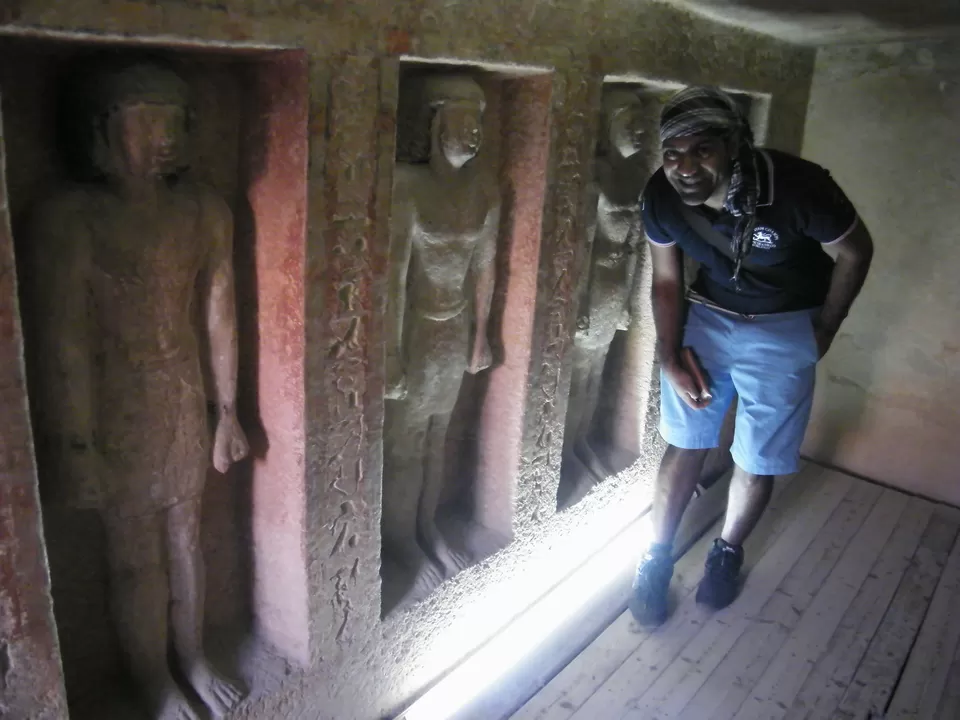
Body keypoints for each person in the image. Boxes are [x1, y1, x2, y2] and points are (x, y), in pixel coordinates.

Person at [28, 62, 248, 719]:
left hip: (180, 392)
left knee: (187, 540)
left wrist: (226, 412)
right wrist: (76, 444)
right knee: (132, 558)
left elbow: (220, 315)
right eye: (146, 117)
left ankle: (194, 658)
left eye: (175, 120)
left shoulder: (204, 212)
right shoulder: (69, 220)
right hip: (112, 403)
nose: (165, 135)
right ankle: (152, 678)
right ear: (103, 130)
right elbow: (60, 343)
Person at [629, 86, 873, 626]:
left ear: (735, 143)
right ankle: (656, 558)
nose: (685, 167)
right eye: (672, 153)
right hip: (709, 317)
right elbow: (666, 282)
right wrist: (669, 354)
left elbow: (856, 251)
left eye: (702, 151)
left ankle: (726, 552)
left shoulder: (796, 187)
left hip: (786, 325)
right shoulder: (662, 196)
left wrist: (827, 326)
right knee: (685, 441)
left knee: (757, 455)